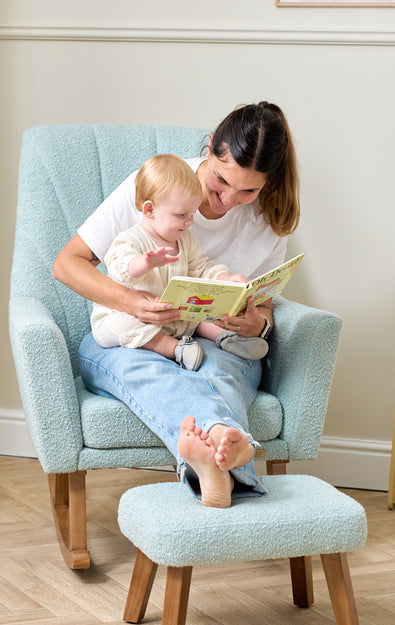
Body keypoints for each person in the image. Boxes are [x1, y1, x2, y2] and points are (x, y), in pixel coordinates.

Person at [53, 101, 299, 508]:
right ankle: (232, 455)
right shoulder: (160, 183)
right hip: (132, 337)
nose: (227, 200)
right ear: (209, 148)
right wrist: (133, 303)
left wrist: (254, 324)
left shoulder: (269, 219)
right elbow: (66, 264)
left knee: (216, 367)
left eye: (248, 190)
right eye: (220, 181)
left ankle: (210, 467)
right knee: (156, 370)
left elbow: (265, 311)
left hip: (209, 340)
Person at [90, 153, 269, 372]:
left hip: (175, 318)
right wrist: (143, 263)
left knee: (204, 314)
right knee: (122, 325)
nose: (189, 222)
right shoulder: (130, 239)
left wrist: (226, 278)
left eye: (192, 213)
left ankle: (227, 337)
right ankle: (174, 348)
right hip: (135, 317)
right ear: (150, 210)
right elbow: (119, 269)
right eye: (181, 214)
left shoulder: (186, 239)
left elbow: (201, 268)